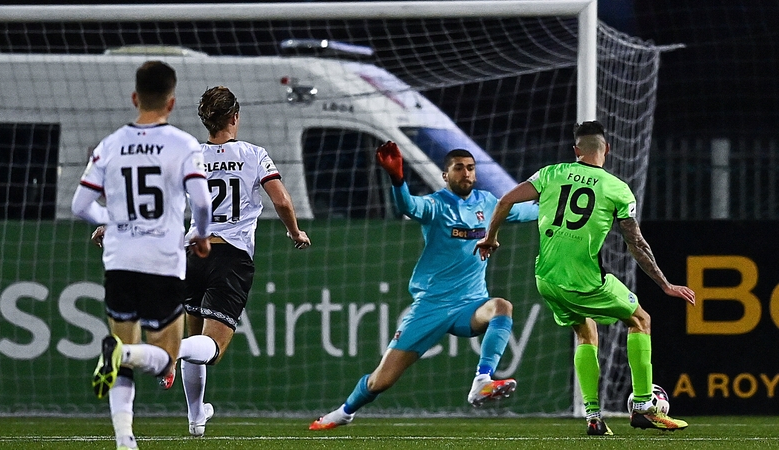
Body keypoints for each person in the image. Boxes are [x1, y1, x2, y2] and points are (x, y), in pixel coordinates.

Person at [474, 120, 696, 436]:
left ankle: (593, 416)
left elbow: (505, 200)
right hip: (584, 281)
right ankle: (644, 406)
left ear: (576, 150)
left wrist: (490, 237)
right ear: (606, 149)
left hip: (546, 278)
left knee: (585, 331)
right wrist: (665, 283)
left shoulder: (550, 173)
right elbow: (637, 243)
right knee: (640, 320)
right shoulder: (617, 188)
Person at [309, 141, 538, 430]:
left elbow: (528, 212)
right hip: (431, 305)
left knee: (502, 306)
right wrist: (397, 178)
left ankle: (483, 379)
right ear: (446, 175)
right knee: (383, 379)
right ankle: (344, 412)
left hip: (470, 304)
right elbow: (408, 205)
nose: (466, 174)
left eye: (470, 168)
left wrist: (555, 200)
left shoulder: (488, 203)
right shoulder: (435, 205)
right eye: (458, 169)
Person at [71, 60, 213, 450]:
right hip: (161, 260)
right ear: (171, 102)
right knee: (166, 361)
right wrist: (201, 235)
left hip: (119, 260)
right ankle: (122, 354)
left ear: (135, 97)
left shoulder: (110, 146)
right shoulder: (183, 144)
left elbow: (80, 204)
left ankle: (124, 439)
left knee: (122, 344)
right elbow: (201, 201)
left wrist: (113, 220)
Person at [159, 86, 311, 437]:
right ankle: (170, 351)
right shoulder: (253, 154)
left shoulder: (190, 155)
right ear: (235, 117)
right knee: (210, 349)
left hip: (192, 254)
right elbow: (283, 201)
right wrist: (295, 232)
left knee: (194, 331)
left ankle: (196, 419)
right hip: (230, 255)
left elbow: (160, 199)